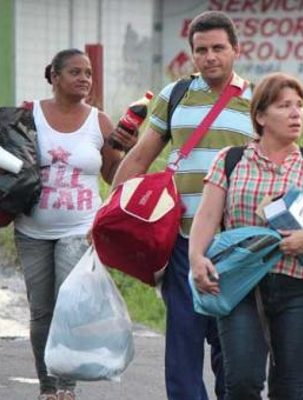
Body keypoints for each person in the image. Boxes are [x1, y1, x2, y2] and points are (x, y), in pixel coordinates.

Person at [110, 11, 254, 400]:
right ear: (192, 54)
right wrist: (110, 215)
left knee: (232, 346)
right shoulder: (173, 96)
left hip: (236, 243)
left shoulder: (258, 100)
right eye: (201, 50)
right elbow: (140, 157)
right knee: (183, 344)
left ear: (236, 50)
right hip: (182, 240)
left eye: (218, 48)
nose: (210, 57)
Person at [189, 72, 303, 399]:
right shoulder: (232, 160)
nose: (296, 113)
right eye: (284, 106)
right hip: (241, 286)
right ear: (261, 116)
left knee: (289, 389)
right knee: (242, 383)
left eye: (299, 106)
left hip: (302, 288)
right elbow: (207, 216)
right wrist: (196, 257)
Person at [13, 48, 135, 400]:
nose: (84, 79)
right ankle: (47, 387)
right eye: (75, 73)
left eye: (88, 74)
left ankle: (66, 387)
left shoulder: (99, 121)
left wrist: (126, 148)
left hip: (79, 228)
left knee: (70, 305)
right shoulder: (28, 114)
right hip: (31, 228)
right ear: (54, 76)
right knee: (41, 311)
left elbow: (114, 174)